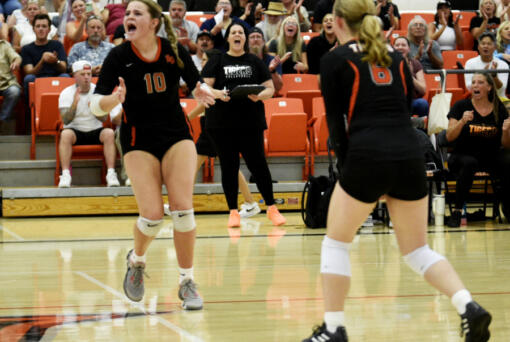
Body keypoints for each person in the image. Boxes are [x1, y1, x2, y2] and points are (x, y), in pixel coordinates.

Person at [302, 0, 492, 341]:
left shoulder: (333, 60)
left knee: (335, 244)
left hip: (366, 154)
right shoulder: (398, 58)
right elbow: (405, 109)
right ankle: (468, 306)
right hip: (408, 154)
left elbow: (335, 123)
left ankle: (333, 330)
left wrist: (347, 169)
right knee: (418, 250)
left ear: (340, 21)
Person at [90, 0, 217, 308]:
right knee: (152, 216)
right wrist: (113, 100)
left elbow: (195, 83)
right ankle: (137, 260)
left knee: (182, 209)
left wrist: (201, 89)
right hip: (137, 138)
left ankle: (187, 281)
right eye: (127, 13)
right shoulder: (118, 57)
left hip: (176, 134)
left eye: (136, 13)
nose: (128, 17)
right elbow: (95, 108)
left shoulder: (172, 51)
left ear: (153, 22)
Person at [201, 23, 286, 228]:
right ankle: (233, 211)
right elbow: (203, 86)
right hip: (222, 123)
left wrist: (259, 96)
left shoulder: (254, 61)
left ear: (245, 39)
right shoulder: (217, 60)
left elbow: (270, 89)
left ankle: (271, 208)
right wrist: (218, 94)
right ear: (228, 38)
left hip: (250, 122)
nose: (237, 35)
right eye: (233, 33)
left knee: (258, 165)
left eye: (241, 33)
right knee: (230, 167)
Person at [445, 72, 510, 227]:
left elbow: (506, 144)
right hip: (462, 156)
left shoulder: (498, 108)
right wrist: (461, 121)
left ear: (488, 87)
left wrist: (507, 131)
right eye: (473, 82)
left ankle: (507, 206)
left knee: (508, 159)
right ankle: (457, 211)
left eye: (480, 82)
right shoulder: (461, 106)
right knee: (470, 163)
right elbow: (449, 137)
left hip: (489, 156)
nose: (475, 85)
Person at [57, 60, 121, 187]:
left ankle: (111, 173)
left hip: (95, 129)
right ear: (75, 76)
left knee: (109, 133)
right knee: (65, 135)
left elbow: (103, 119)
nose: (86, 77)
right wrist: (74, 104)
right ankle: (65, 174)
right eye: (82, 74)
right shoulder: (66, 93)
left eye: (89, 74)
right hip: (75, 130)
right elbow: (66, 120)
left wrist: (94, 108)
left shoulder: (98, 92)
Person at [21, 14, 68, 101]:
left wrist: (55, 61)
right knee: (29, 79)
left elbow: (64, 68)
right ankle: (32, 111)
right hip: (37, 79)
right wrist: (42, 61)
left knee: (65, 76)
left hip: (55, 79)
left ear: (49, 29)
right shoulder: (26, 49)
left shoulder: (57, 45)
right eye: (38, 26)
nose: (41, 29)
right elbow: (29, 72)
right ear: (33, 29)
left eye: (44, 26)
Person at [393, 36, 429, 120]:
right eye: (397, 45)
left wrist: (409, 75)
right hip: (393, 101)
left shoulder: (415, 63)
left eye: (403, 45)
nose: (400, 47)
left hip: (411, 100)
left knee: (422, 104)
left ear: (408, 48)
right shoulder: (388, 63)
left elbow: (423, 89)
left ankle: (422, 131)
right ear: (393, 48)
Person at [465, 32, 509, 98]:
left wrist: (494, 76)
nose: (485, 46)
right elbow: (469, 87)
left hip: (499, 98)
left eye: (489, 44)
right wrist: (483, 75)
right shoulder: (470, 63)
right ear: (478, 47)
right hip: (478, 98)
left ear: (495, 47)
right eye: (483, 44)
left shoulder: (503, 64)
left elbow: (501, 89)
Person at [248, 27, 282, 92]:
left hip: (268, 98)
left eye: (258, 37)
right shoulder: (241, 60)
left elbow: (278, 87)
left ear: (263, 42)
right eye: (252, 37)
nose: (255, 39)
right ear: (247, 43)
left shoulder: (273, 61)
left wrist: (272, 71)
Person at [0, 38, 22, 134]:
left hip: (6, 83)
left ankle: (2, 121)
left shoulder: (4, 45)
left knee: (14, 91)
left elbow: (16, 57)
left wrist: (16, 62)